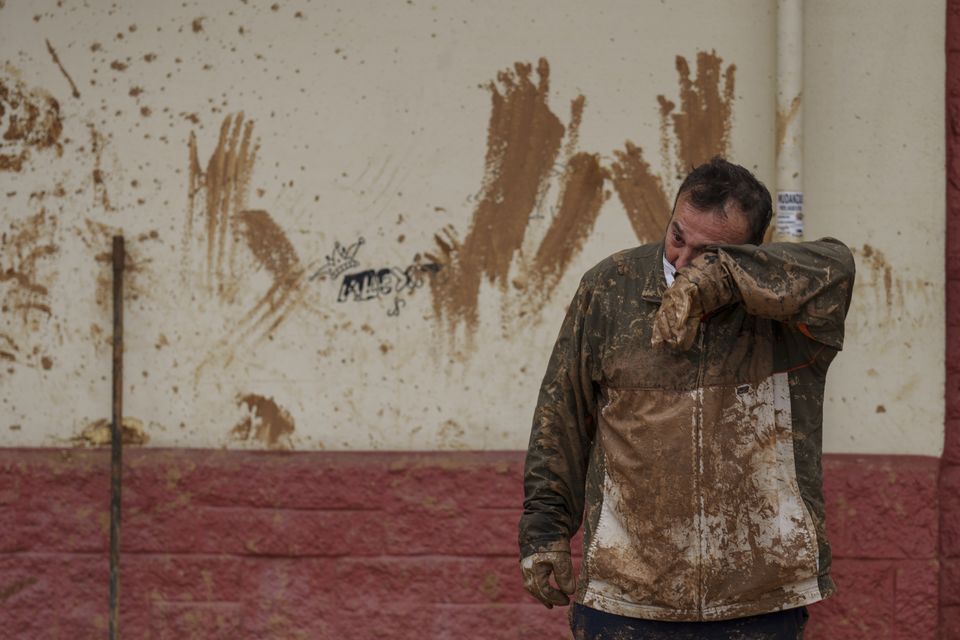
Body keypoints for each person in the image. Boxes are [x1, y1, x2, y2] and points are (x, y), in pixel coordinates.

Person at [518, 157, 855, 639]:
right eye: (679, 236)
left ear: (746, 252)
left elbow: (836, 265)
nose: (680, 261)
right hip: (625, 596)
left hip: (758, 597)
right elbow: (562, 417)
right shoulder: (610, 288)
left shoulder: (786, 318)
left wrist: (724, 278)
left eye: (708, 252)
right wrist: (544, 531)